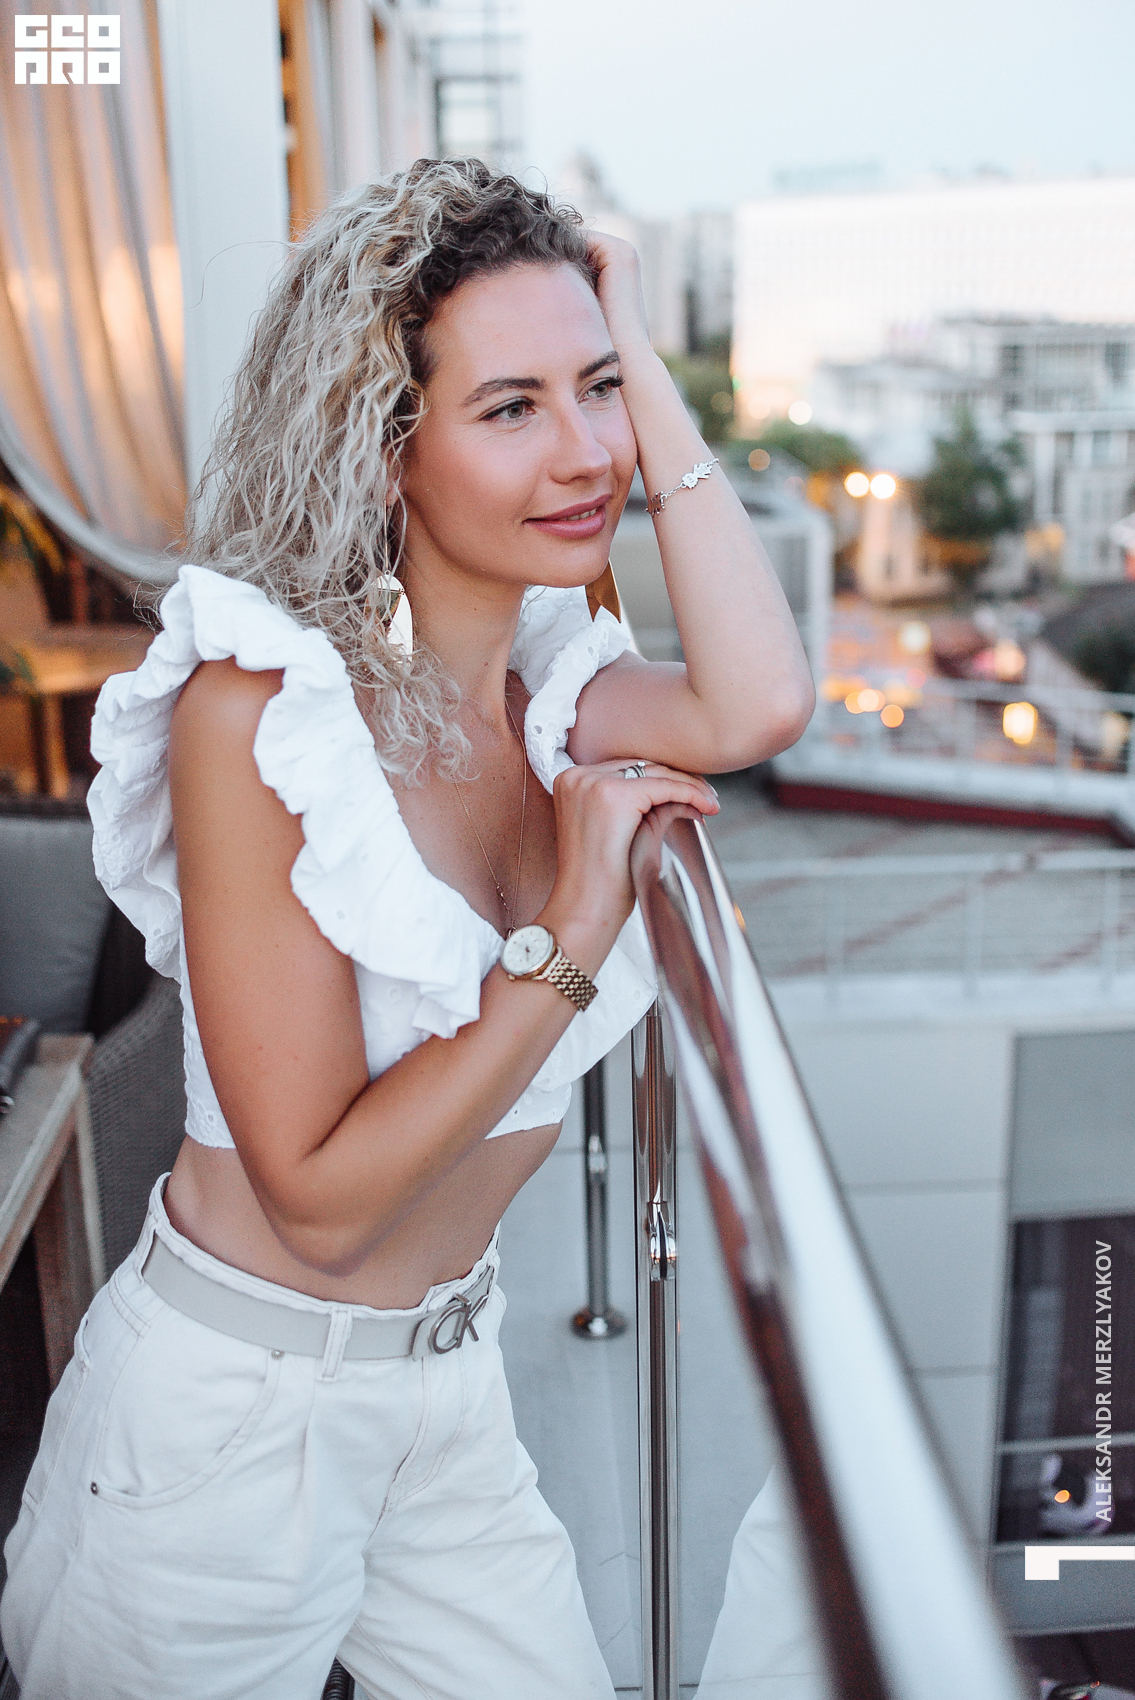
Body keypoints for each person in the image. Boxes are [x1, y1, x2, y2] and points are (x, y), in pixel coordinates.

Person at [1, 158, 813, 1699]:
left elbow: (760, 701)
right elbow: (320, 1204)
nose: (587, 452)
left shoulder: (551, 691)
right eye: (511, 408)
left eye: (597, 393)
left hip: (448, 1398)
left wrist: (639, 343)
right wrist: (569, 932)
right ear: (384, 446)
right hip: (229, 1436)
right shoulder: (264, 713)